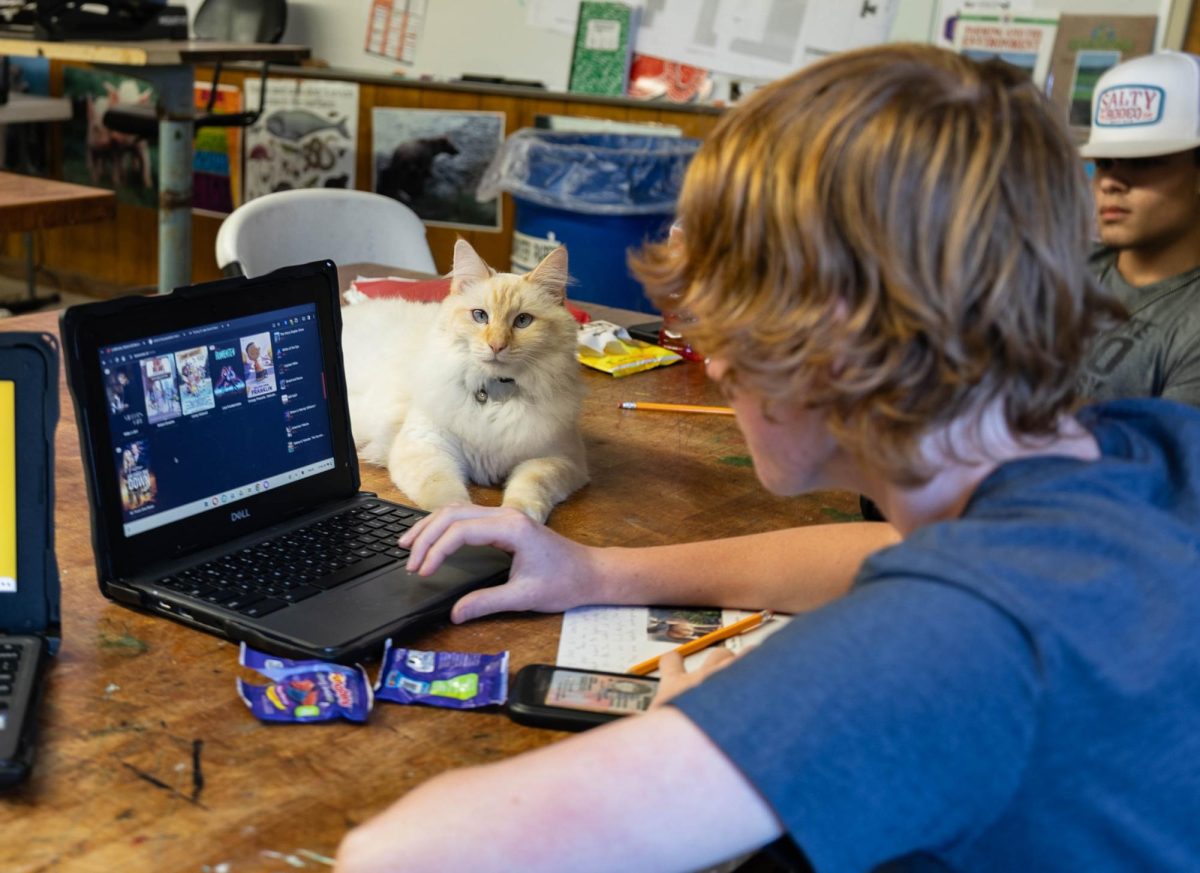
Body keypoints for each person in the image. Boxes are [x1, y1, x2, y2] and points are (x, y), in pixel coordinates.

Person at [334, 45, 1200, 872]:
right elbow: (887, 556)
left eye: (724, 326)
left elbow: (393, 854)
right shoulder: (1142, 453)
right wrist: (597, 569)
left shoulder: (953, 641)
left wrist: (683, 735)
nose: (712, 364)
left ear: (831, 344)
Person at [1077, 50, 1200, 405]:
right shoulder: (1060, 268)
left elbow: (1171, 455)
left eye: (1142, 162)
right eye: (1103, 163)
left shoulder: (1190, 321)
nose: (1110, 182)